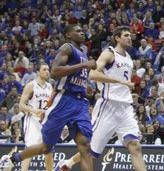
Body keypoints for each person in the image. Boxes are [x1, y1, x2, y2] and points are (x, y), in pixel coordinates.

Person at [0, 25, 96, 171]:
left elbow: (74, 76)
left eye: (83, 30)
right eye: (77, 30)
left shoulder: (83, 51)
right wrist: (84, 65)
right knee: (46, 147)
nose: (82, 32)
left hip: (80, 101)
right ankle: (13, 160)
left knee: (85, 146)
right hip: (64, 100)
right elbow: (55, 72)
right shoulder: (67, 47)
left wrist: (85, 84)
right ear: (68, 35)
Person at [55, 27, 144, 171]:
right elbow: (92, 75)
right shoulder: (109, 53)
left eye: (130, 35)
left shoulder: (128, 58)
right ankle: (67, 164)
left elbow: (123, 81)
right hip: (108, 106)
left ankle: (67, 164)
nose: (130, 37)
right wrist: (120, 82)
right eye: (126, 35)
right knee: (91, 152)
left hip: (125, 107)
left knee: (135, 146)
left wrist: (126, 91)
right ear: (117, 38)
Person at [18, 63, 54, 171]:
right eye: (44, 69)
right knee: (29, 150)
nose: (47, 71)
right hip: (32, 120)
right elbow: (21, 105)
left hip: (45, 122)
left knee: (48, 152)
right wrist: (35, 111)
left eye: (48, 69)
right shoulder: (31, 85)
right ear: (38, 72)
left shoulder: (50, 86)